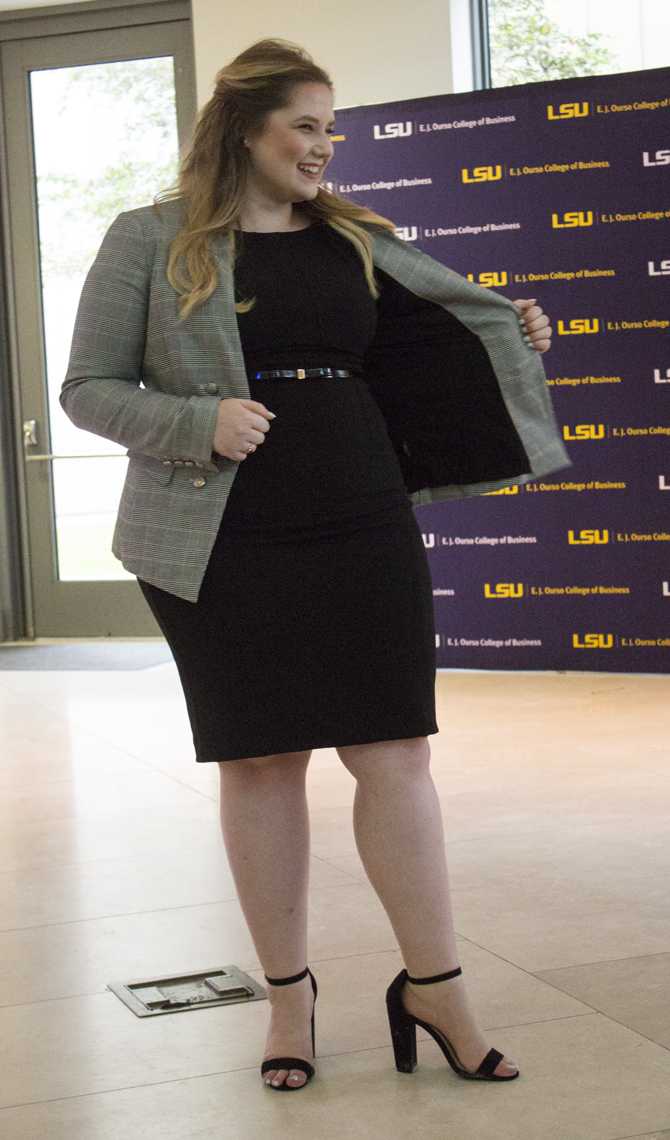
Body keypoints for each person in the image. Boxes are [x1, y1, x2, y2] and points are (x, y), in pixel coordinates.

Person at [61, 37, 568, 1094]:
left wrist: (509, 332)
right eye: (306, 124)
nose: (324, 147)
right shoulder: (150, 239)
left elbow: (422, 351)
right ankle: (287, 1000)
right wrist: (198, 419)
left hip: (359, 517)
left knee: (397, 757)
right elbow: (89, 387)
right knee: (260, 763)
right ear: (244, 127)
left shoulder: (354, 238)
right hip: (222, 535)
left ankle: (438, 988)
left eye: (330, 128)